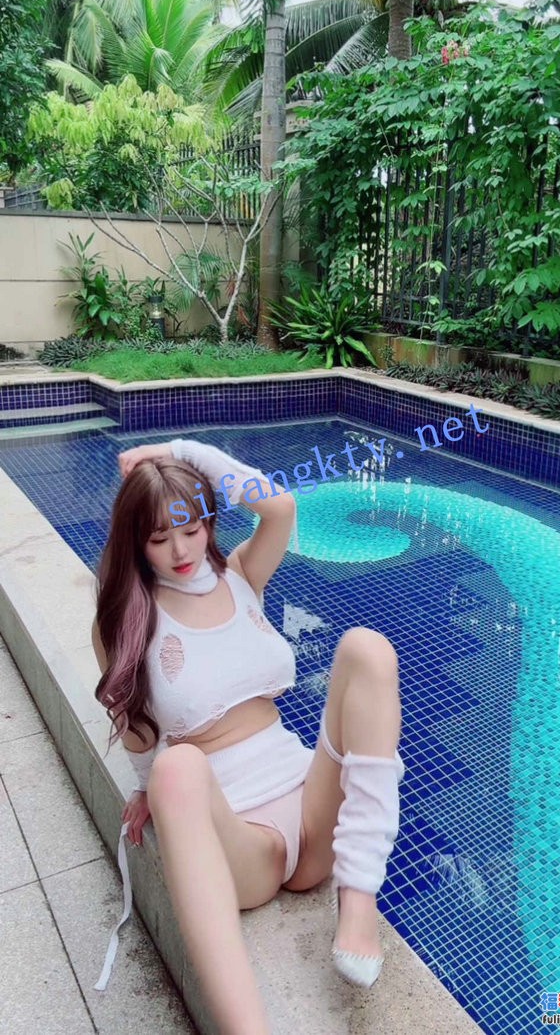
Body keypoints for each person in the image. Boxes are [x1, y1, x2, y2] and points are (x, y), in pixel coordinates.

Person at [91, 436, 404, 1035]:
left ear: (208, 520)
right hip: (242, 838)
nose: (180, 550)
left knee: (367, 649)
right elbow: (134, 728)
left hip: (310, 806)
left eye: (190, 528)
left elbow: (280, 505)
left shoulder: (240, 577)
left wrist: (180, 450)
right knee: (176, 767)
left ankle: (358, 899)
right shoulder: (126, 621)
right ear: (134, 542)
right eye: (158, 538)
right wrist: (148, 787)